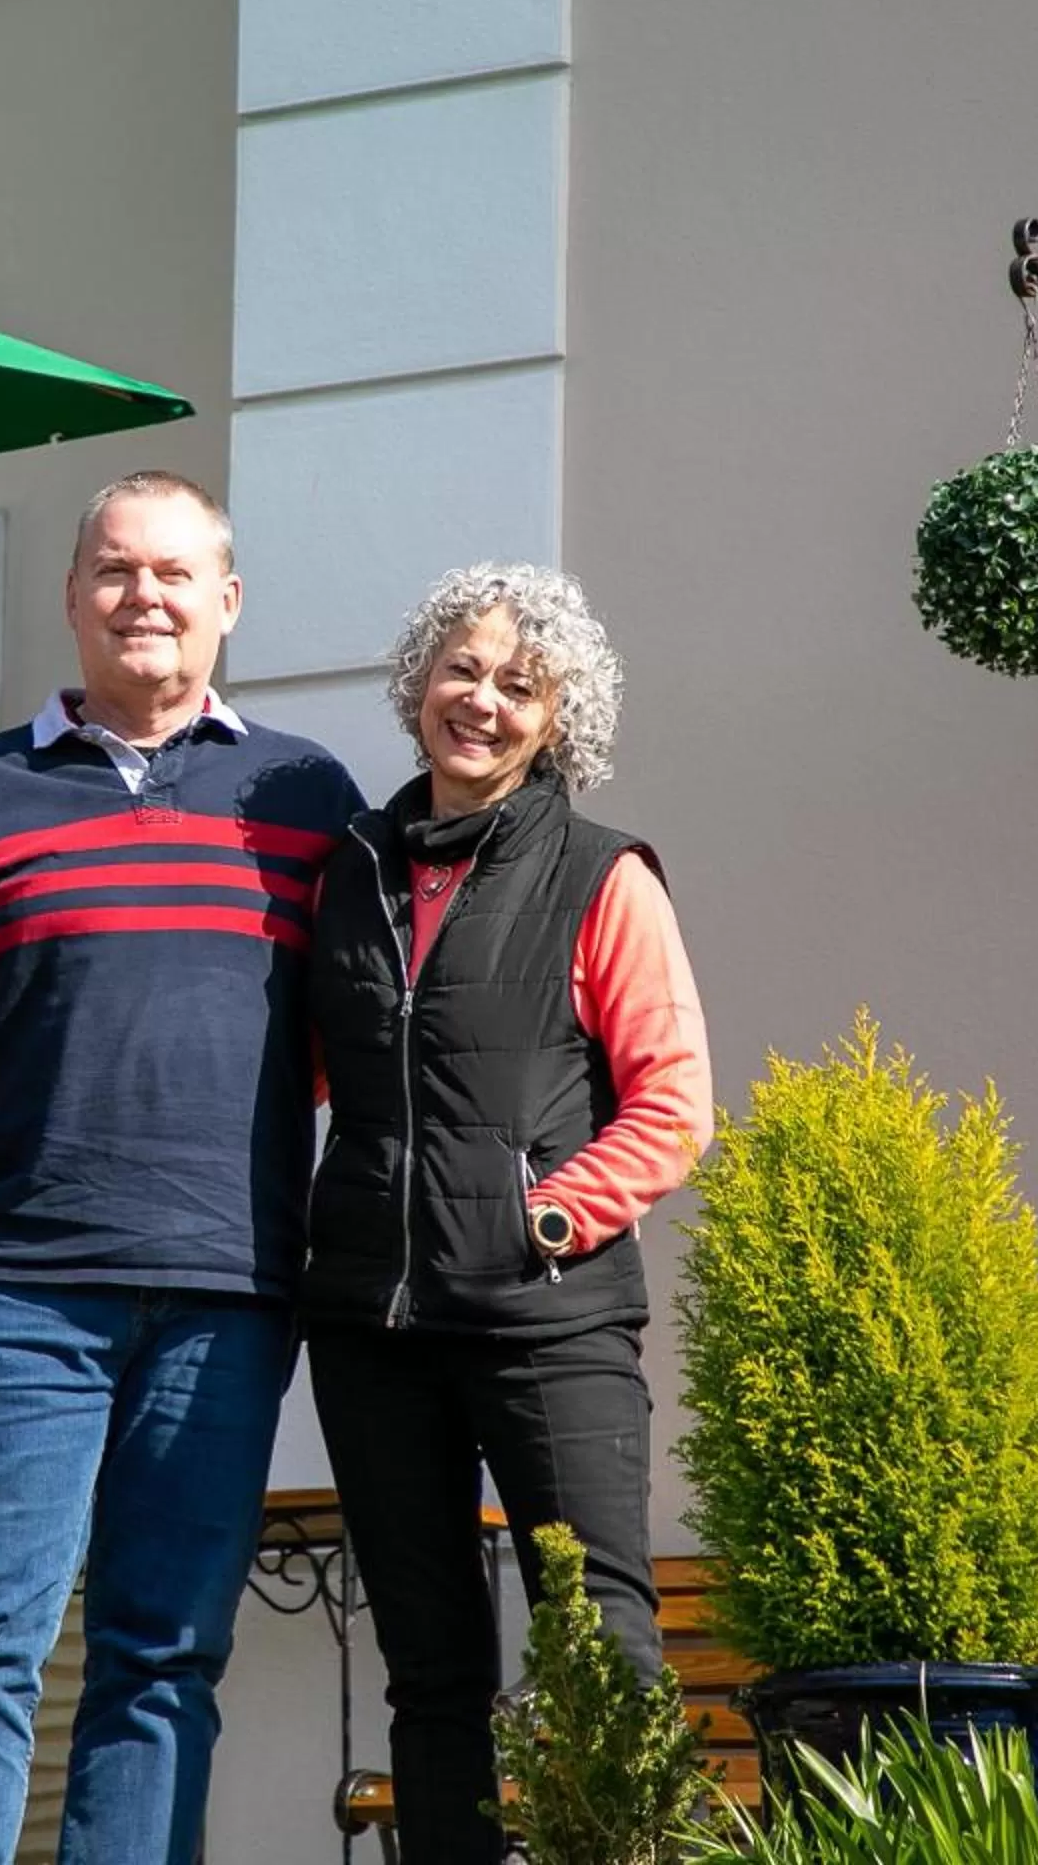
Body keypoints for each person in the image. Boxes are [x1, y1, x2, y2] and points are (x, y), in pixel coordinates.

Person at [0, 469, 366, 1864]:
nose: (147, 596)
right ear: (74, 600)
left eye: (175, 573)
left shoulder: (306, 796)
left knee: (165, 1659)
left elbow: (371, 1040)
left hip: (232, 1298)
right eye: (118, 572)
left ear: (228, 603)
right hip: (18, 1298)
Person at [303, 560, 712, 1865]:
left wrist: (543, 1219)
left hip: (550, 1323)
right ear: (419, 680)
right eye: (461, 669)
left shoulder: (603, 877)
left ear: (557, 720)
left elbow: (674, 1104)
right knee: (428, 1672)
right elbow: (313, 1075)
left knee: (600, 1636)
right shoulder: (350, 872)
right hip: (372, 1328)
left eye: (517, 686)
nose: (479, 700)